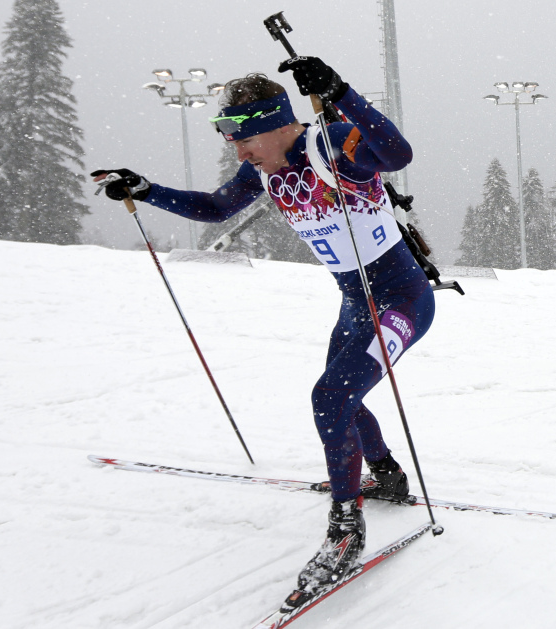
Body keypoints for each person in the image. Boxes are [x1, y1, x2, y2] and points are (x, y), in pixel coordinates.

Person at [92, 56, 434, 610]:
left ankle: (346, 530)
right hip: (354, 301)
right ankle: (388, 476)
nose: (237, 150)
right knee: (341, 395)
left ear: (276, 122)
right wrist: (145, 188)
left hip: (399, 299)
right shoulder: (264, 170)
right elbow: (215, 208)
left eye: (242, 137)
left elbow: (397, 154)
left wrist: (340, 91)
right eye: (229, 138)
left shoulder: (334, 142)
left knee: (331, 397)